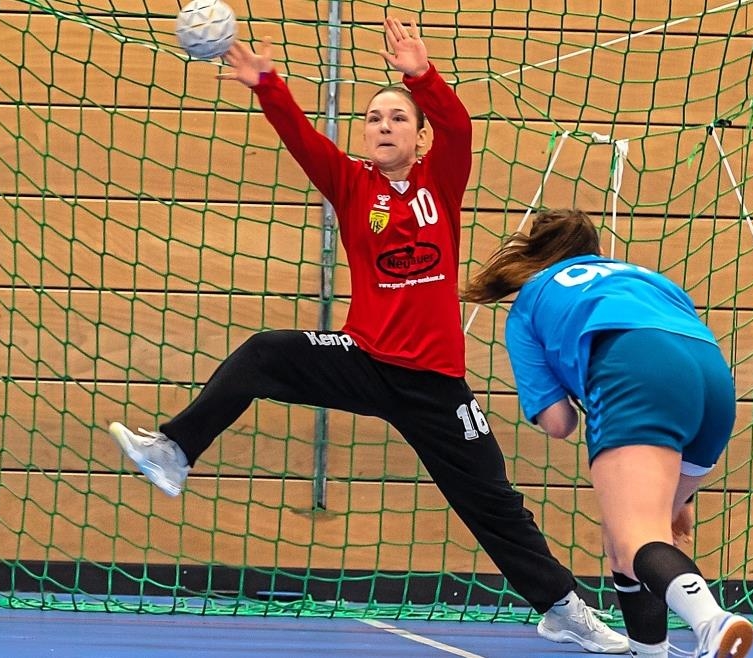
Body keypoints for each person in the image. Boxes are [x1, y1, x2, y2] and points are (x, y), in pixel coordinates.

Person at [107, 18, 629, 654]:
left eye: (398, 118)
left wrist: (421, 74)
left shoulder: (441, 180)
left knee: (492, 502)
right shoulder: (352, 184)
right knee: (264, 352)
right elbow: (301, 139)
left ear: (419, 135)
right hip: (364, 358)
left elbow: (461, 127)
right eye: (374, 118)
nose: (384, 126)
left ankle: (563, 610)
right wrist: (267, 85)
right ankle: (175, 451)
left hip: (434, 383)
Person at [461, 208, 753, 658]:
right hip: (713, 380)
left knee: (636, 537)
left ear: (536, 253)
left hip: (631, 368)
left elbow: (559, 423)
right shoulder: (642, 276)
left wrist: (564, 386)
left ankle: (712, 622)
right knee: (623, 541)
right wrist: (682, 498)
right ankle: (648, 651)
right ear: (596, 250)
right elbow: (678, 353)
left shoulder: (531, 300)